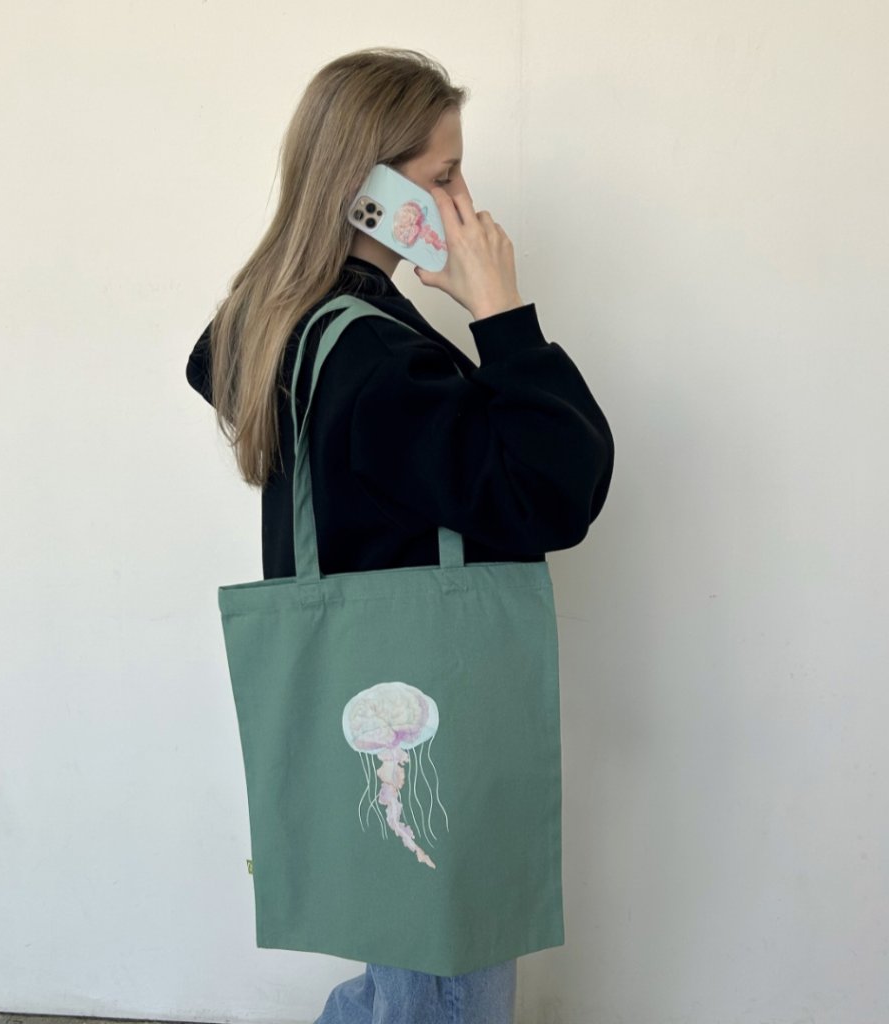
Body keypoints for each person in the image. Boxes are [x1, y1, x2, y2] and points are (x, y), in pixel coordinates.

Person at [186, 46, 613, 1024]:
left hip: (373, 689)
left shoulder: (280, 322)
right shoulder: (372, 357)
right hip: (434, 699)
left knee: (399, 971)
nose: (465, 205)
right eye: (444, 177)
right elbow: (554, 491)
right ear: (368, 190)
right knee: (444, 972)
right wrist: (502, 315)